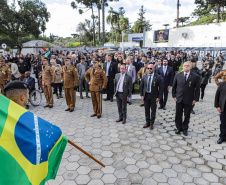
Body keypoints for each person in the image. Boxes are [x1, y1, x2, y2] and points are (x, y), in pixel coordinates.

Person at [172, 62, 200, 136]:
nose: (186, 67)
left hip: (189, 99)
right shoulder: (178, 75)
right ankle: (178, 127)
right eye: (185, 66)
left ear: (190, 67)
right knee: (178, 114)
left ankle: (185, 129)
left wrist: (196, 99)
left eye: (187, 66)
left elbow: (197, 89)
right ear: (182, 67)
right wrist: (174, 96)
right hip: (179, 98)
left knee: (187, 115)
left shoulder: (195, 76)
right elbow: (174, 86)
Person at [140, 64, 163, 130]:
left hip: (154, 96)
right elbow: (141, 86)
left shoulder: (158, 77)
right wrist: (142, 95)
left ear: (154, 69)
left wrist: (159, 97)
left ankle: (151, 123)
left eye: (151, 68)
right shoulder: (144, 76)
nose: (149, 70)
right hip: (146, 95)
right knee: (146, 109)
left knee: (153, 110)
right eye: (148, 68)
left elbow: (161, 88)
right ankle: (147, 122)